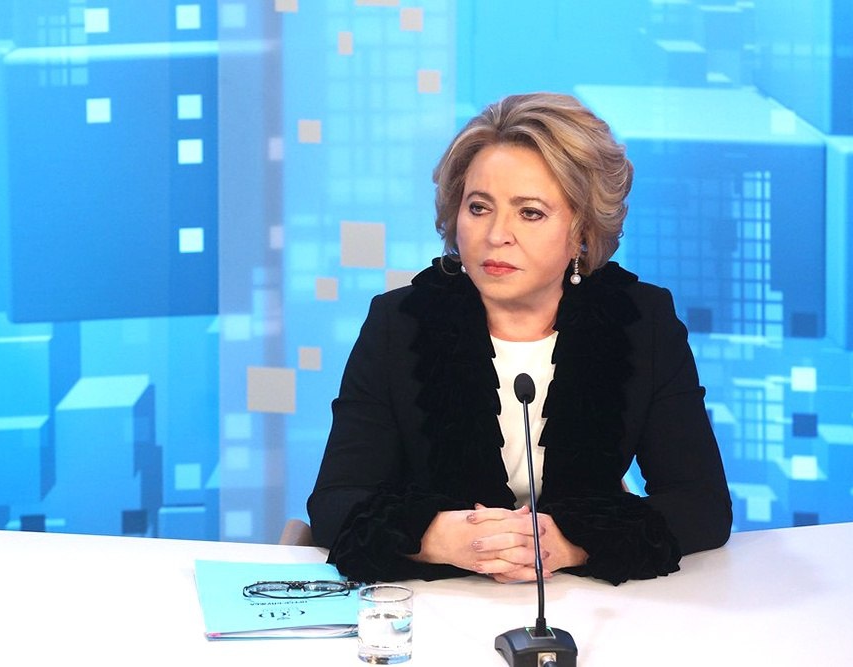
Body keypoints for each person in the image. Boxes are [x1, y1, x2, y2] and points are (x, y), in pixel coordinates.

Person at [306, 92, 732, 586]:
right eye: (478, 207)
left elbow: (701, 505)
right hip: (435, 599)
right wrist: (441, 537)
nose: (496, 235)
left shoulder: (640, 321)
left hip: (584, 602)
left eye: (530, 212)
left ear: (582, 229)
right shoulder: (400, 323)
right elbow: (335, 502)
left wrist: (567, 543)